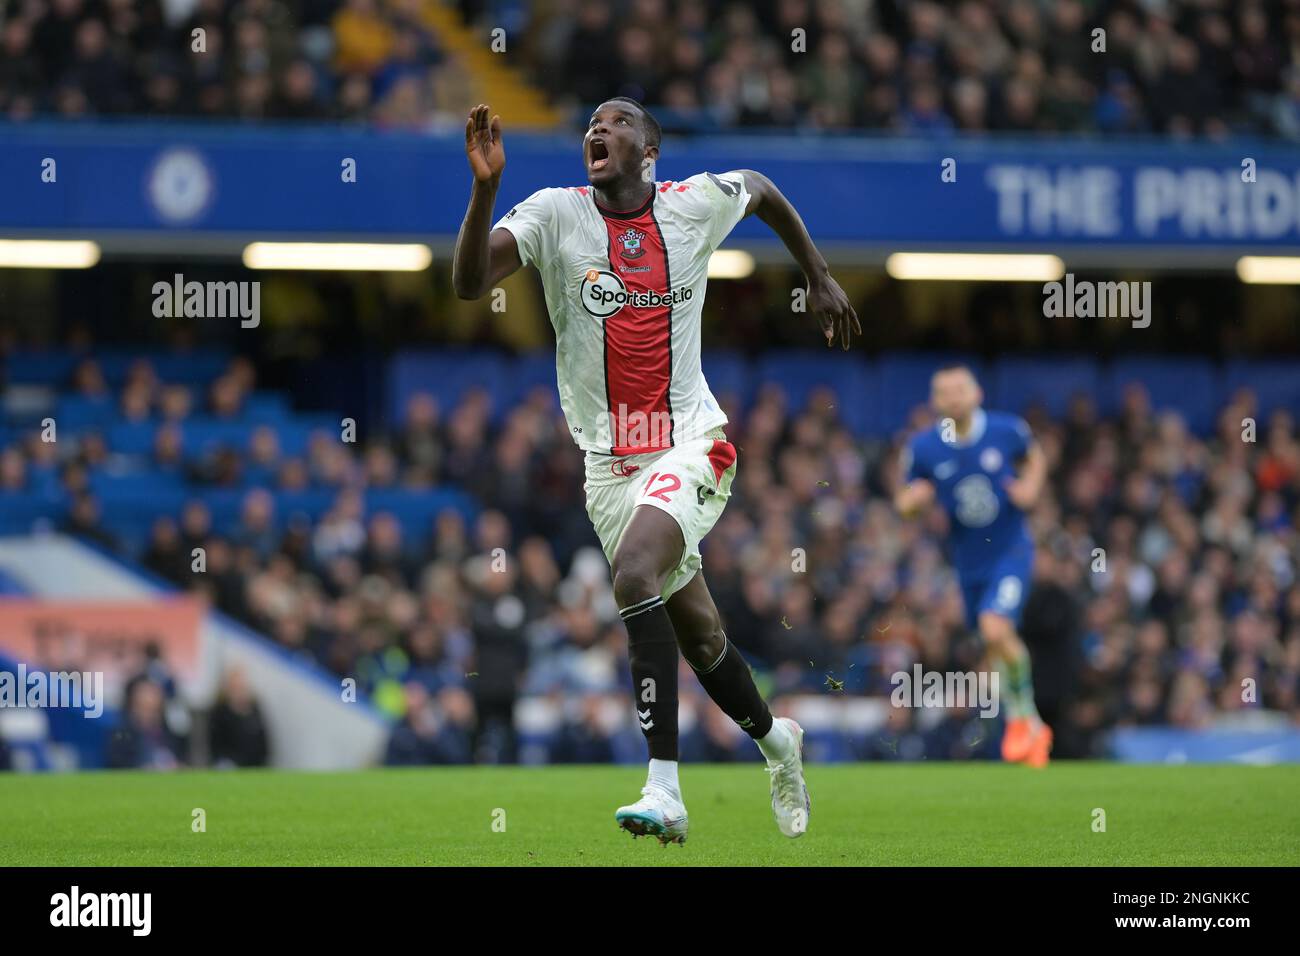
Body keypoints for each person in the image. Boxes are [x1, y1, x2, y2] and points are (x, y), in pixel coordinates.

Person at [452, 98, 859, 843]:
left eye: (618, 122)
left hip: (690, 444)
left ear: (649, 151)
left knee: (634, 575)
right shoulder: (553, 214)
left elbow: (762, 187)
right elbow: (470, 284)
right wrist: (484, 191)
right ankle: (778, 743)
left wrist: (819, 276)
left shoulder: (690, 205)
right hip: (607, 468)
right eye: (592, 124)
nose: (597, 130)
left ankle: (664, 790)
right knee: (701, 637)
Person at [895, 365, 1053, 766]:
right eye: (944, 392)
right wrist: (913, 503)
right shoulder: (925, 448)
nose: (953, 398)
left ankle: (1024, 718)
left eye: (960, 389)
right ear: (935, 401)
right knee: (992, 642)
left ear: (977, 393)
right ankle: (1029, 727)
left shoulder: (1007, 431)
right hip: (968, 562)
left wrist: (1031, 488)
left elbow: (1035, 457)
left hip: (1011, 550)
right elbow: (906, 499)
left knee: (994, 626)